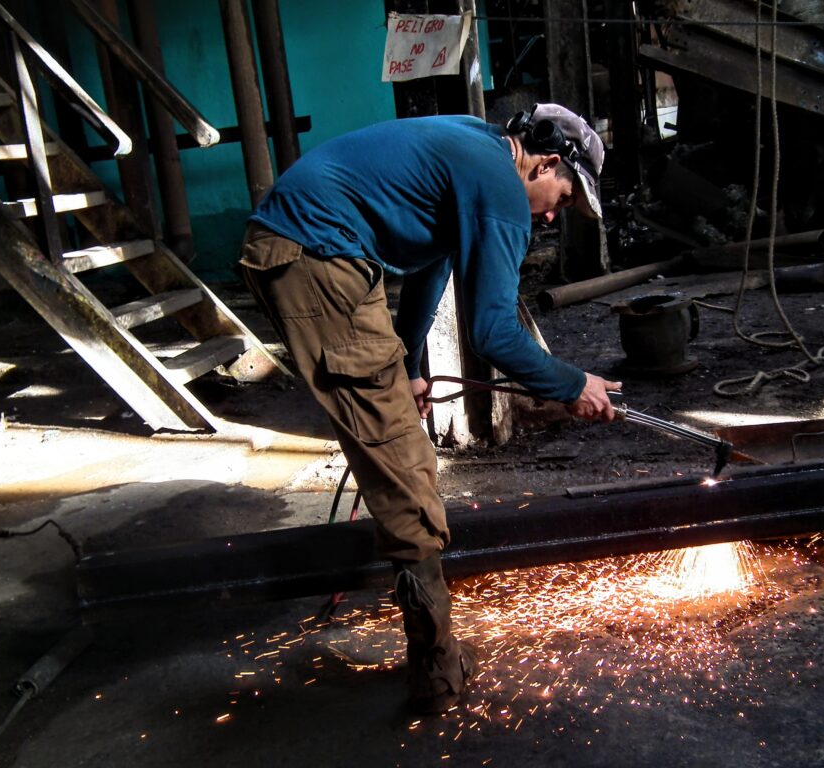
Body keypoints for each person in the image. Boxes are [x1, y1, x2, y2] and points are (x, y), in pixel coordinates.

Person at [239, 103, 620, 714]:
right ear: (546, 161)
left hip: (317, 247)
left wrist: (412, 366)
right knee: (404, 466)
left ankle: (435, 654)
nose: (551, 214)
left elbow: (429, 269)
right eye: (564, 197)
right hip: (315, 256)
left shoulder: (477, 147)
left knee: (399, 438)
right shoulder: (499, 186)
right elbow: (494, 333)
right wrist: (571, 384)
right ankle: (437, 674)